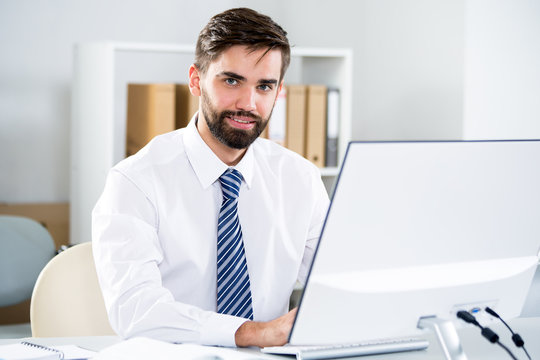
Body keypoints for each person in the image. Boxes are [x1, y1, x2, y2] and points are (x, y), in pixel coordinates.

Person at [92, 7, 329, 348]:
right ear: (195, 80)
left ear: (279, 92)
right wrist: (252, 333)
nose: (248, 103)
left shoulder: (300, 178)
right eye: (231, 80)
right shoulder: (135, 182)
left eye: (264, 86)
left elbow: (338, 281)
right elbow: (135, 311)